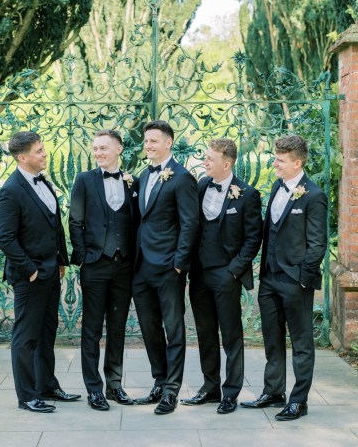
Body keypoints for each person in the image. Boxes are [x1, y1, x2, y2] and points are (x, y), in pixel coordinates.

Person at [241, 135, 327, 421]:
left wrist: (303, 279)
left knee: (301, 343)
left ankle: (298, 400)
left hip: (295, 281)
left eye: (280, 160)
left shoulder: (313, 195)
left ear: (297, 162)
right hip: (270, 279)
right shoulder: (278, 185)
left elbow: (317, 243)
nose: (274, 163)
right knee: (272, 338)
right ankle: (274, 391)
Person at [0, 131, 80, 413]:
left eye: (44, 149)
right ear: (22, 157)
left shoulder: (42, 182)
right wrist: (30, 270)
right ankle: (27, 395)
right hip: (30, 275)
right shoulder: (10, 191)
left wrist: (60, 262)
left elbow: (54, 225)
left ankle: (47, 385)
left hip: (50, 271)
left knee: (47, 332)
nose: (45, 154)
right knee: (26, 336)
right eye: (39, 151)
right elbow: (6, 239)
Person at [181, 138, 262, 414]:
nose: (205, 162)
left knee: (231, 336)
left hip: (226, 275)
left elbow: (253, 239)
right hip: (200, 275)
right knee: (204, 333)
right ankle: (210, 387)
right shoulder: (202, 185)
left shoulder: (247, 194)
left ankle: (231, 392)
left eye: (210, 159)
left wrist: (234, 271)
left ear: (226, 164)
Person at [69, 130, 139, 411]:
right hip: (95, 266)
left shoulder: (133, 181)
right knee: (92, 329)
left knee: (118, 328)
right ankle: (93, 389)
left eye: (103, 148)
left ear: (118, 149)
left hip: (124, 267)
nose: (98, 153)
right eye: (95, 148)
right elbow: (75, 221)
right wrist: (85, 257)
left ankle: (115, 385)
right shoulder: (84, 180)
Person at [133, 120, 199, 415]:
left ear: (168, 143)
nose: (148, 146)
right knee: (149, 328)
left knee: (173, 329)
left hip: (169, 267)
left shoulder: (182, 177)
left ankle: (172, 391)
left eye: (154, 141)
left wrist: (179, 264)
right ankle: (159, 381)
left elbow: (190, 223)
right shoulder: (142, 176)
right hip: (141, 267)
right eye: (146, 141)